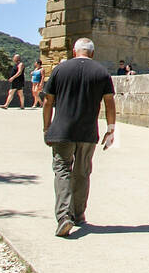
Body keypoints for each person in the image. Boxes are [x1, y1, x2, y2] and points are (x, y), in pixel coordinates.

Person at [42, 37, 116, 238]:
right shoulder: (102, 72)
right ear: (92, 53)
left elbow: (48, 101)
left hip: (61, 131)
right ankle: (78, 214)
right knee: (82, 172)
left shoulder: (59, 69)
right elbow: (109, 103)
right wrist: (111, 129)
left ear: (75, 52)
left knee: (62, 171)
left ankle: (64, 216)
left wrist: (46, 128)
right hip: (88, 132)